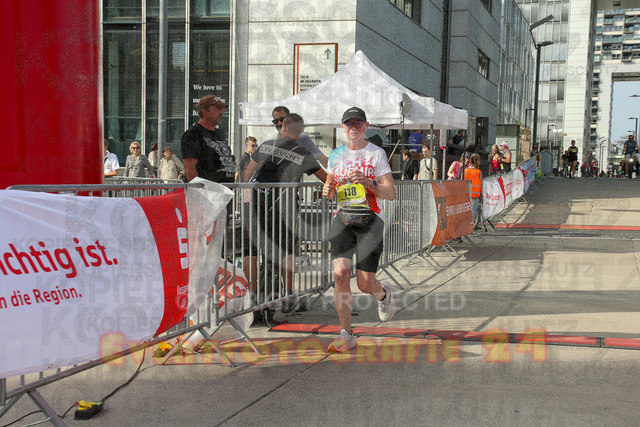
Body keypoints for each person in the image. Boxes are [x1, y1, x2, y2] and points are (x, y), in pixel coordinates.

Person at [322, 107, 396, 352]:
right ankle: (346, 334)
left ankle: (383, 294)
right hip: (342, 218)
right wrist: (327, 191)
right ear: (343, 127)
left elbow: (390, 193)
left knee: (365, 284)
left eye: (357, 123)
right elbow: (330, 187)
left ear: (365, 126)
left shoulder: (376, 154)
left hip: (369, 219)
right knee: (341, 274)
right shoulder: (336, 155)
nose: (352, 127)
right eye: (348, 123)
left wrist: (369, 182)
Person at [242, 113, 327, 315]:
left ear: (284, 127)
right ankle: (288, 297)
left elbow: (247, 175)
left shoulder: (265, 145)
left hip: (254, 204)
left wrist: (246, 199)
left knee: (251, 252)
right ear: (301, 132)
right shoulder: (302, 153)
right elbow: (325, 178)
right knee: (285, 251)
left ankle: (250, 299)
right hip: (281, 209)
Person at [181, 94, 235, 183]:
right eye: (217, 109)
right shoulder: (193, 134)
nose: (221, 112)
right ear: (205, 111)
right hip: (207, 189)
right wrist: (197, 189)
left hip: (225, 189)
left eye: (221, 109)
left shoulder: (219, 134)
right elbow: (189, 166)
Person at [464, 153, 483, 225]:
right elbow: (481, 185)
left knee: (465, 212)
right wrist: (482, 196)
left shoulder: (465, 171)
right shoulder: (478, 172)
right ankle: (471, 227)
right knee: (473, 212)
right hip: (475, 195)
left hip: (466, 194)